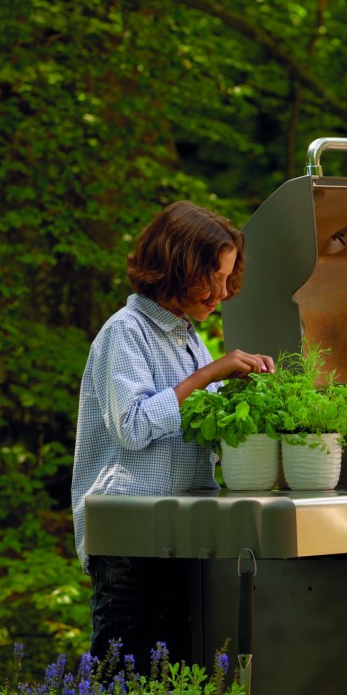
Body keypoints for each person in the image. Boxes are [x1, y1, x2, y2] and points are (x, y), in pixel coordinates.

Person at [71, 201, 274, 666]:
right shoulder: (124, 334)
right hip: (130, 543)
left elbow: (197, 420)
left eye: (227, 279)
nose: (222, 293)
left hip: (182, 533)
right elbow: (135, 426)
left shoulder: (187, 336)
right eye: (212, 278)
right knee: (125, 687)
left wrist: (238, 392)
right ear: (174, 267)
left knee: (175, 685)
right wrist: (208, 375)